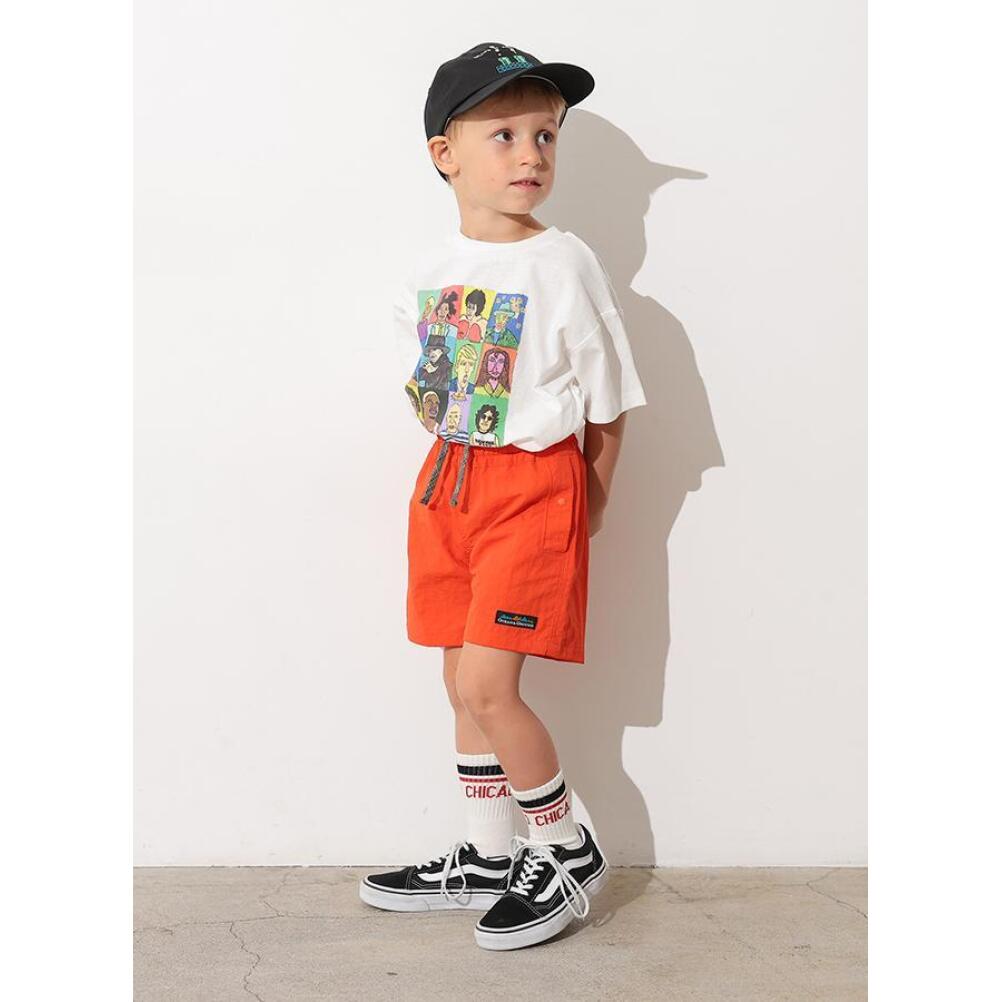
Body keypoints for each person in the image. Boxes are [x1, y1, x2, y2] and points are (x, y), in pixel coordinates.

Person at [359, 42, 648, 952]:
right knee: (458, 680)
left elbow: (609, 401)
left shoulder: (563, 263)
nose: (532, 155)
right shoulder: (427, 270)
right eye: (506, 135)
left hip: (531, 487)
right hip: (449, 483)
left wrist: (588, 500)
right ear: (445, 154)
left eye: (547, 136)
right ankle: (489, 853)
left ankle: (564, 847)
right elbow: (434, 386)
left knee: (491, 685)